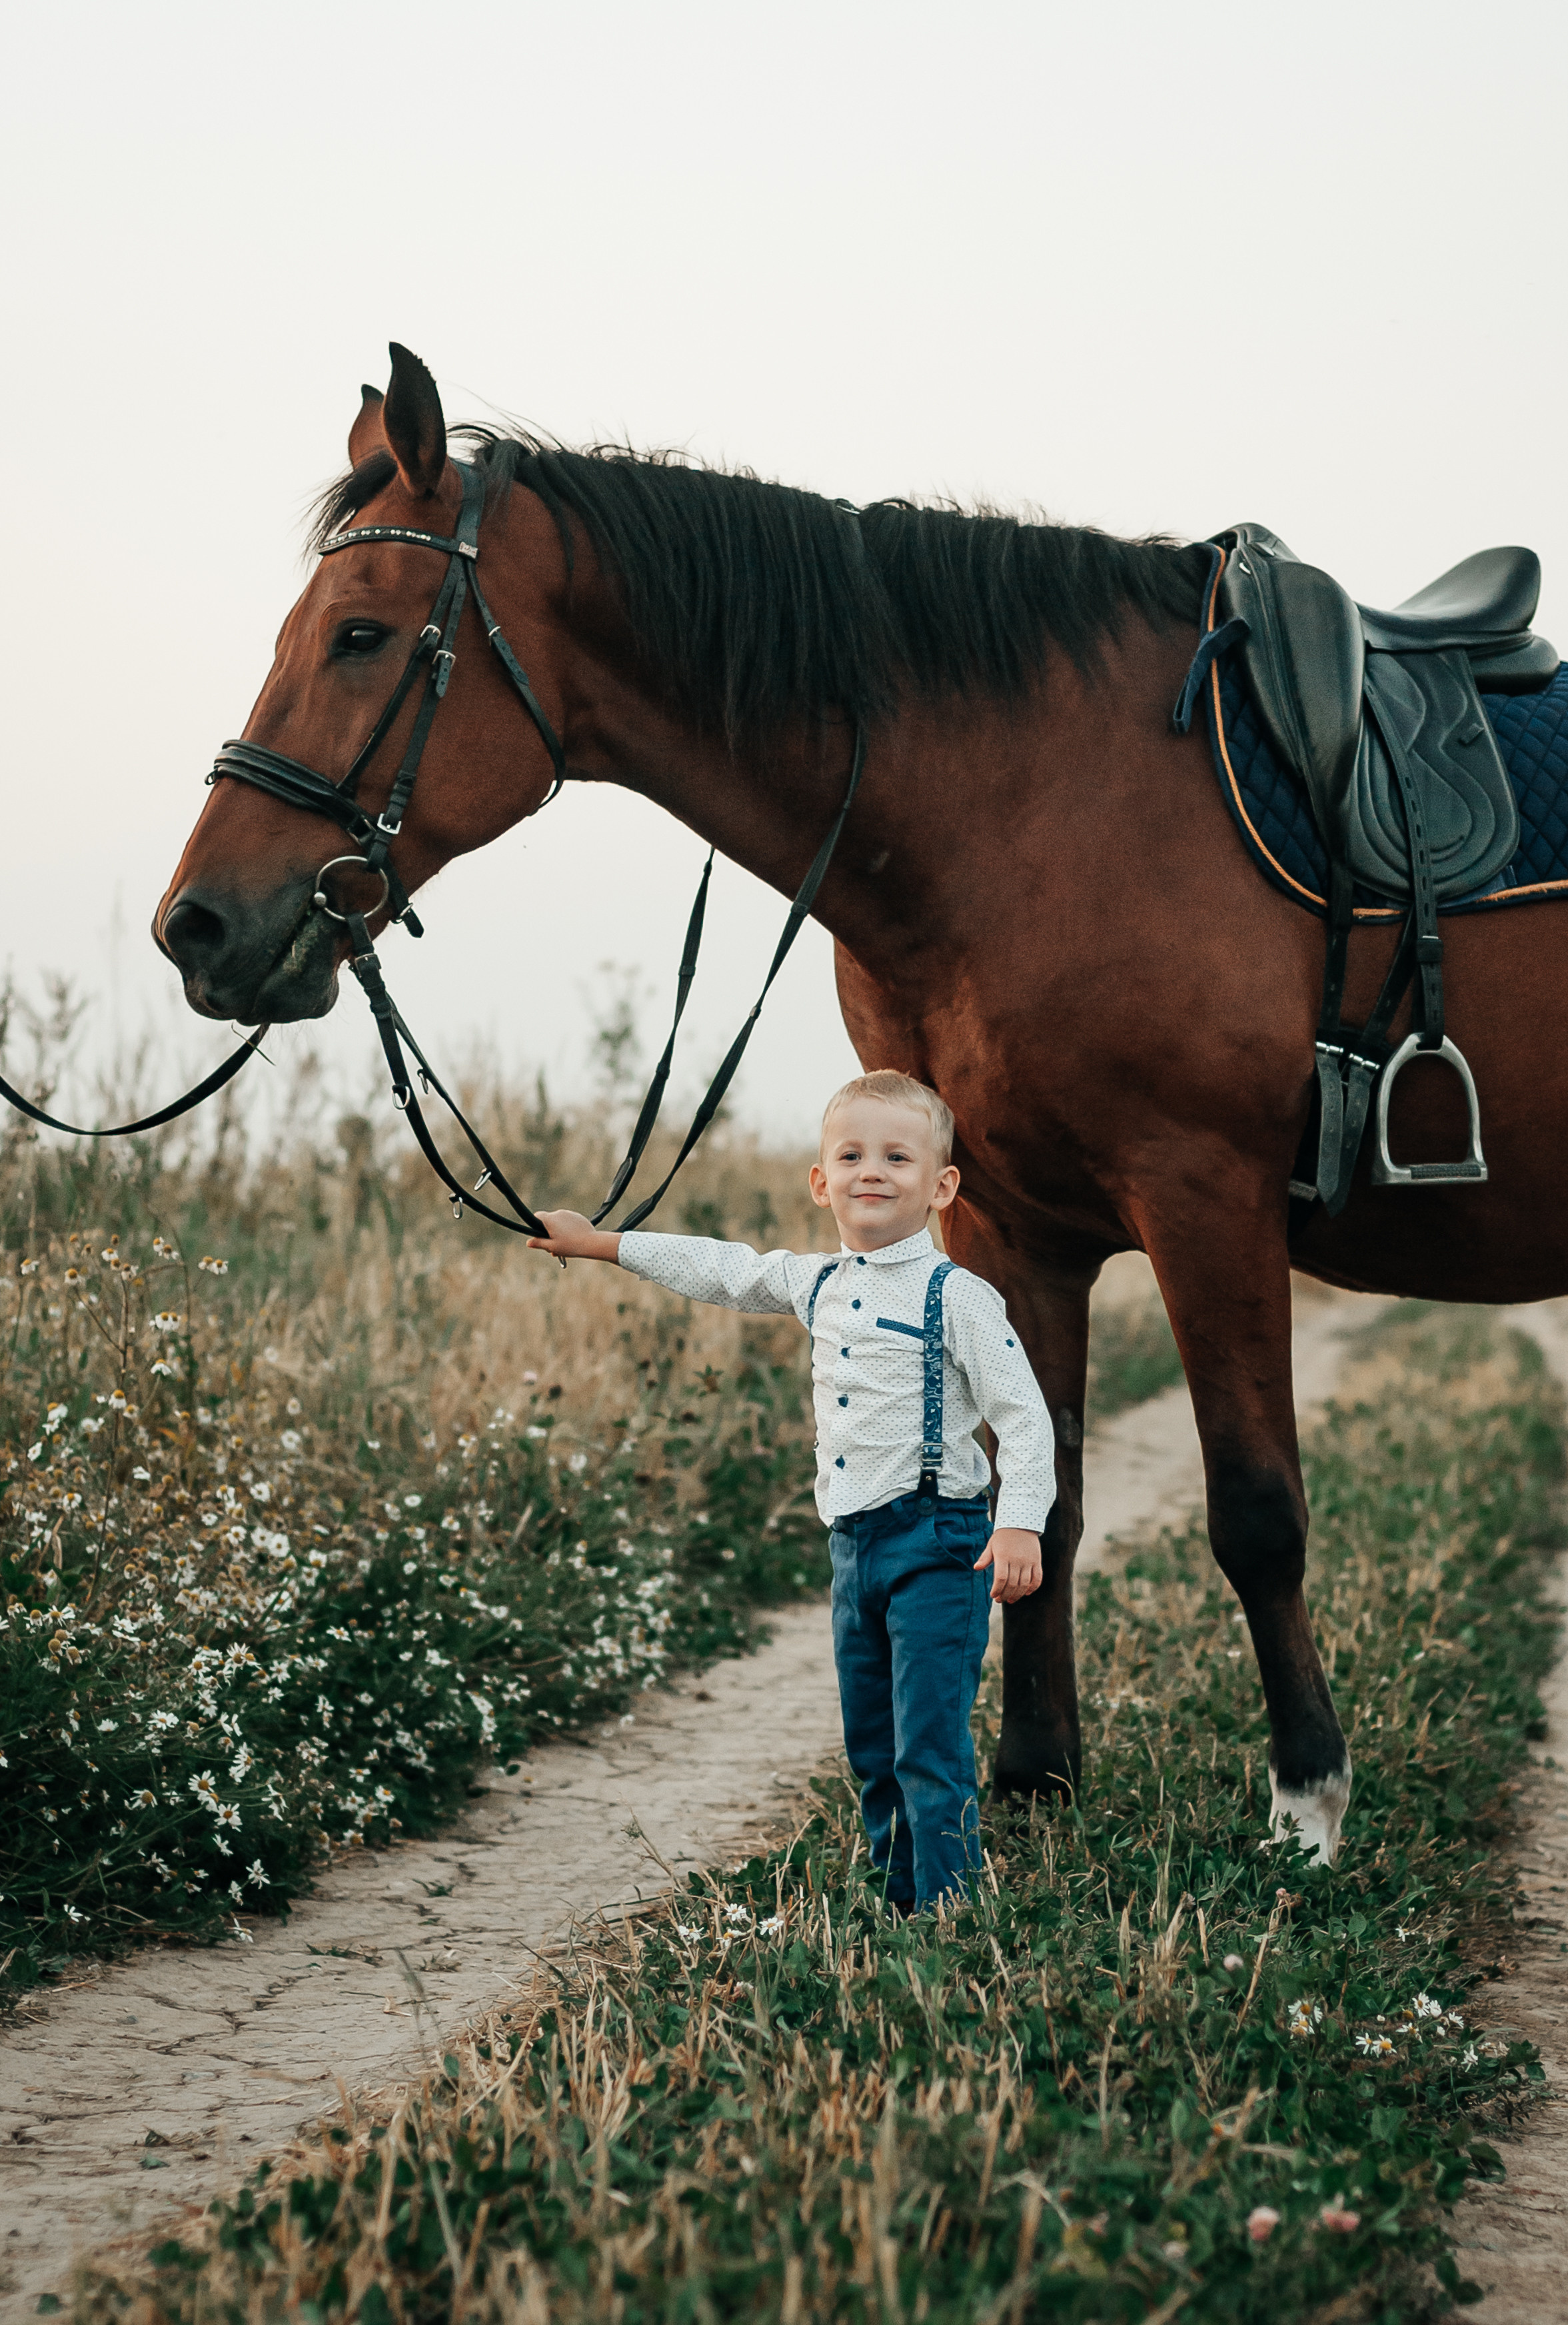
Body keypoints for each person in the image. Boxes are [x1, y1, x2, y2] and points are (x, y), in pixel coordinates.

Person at [527, 1069, 1056, 1915]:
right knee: (872, 1743)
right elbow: (722, 1269)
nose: (871, 1171)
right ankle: (895, 1897)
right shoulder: (814, 1283)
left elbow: (1023, 1417)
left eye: (896, 1156)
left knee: (928, 1739)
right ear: (821, 1182)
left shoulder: (955, 1294)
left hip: (940, 1542)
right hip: (854, 1550)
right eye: (850, 1155)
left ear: (941, 1187)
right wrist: (599, 1244)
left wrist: (1020, 1522)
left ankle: (950, 1908)